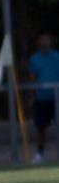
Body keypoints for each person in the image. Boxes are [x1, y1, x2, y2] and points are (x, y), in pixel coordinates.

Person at [28, 32, 59, 163]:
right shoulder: (35, 59)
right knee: (41, 128)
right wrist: (31, 96)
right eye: (42, 40)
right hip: (42, 98)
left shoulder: (57, 56)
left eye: (47, 39)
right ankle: (40, 154)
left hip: (56, 98)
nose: (45, 42)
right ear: (39, 42)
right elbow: (32, 79)